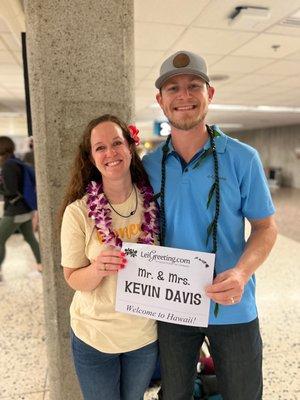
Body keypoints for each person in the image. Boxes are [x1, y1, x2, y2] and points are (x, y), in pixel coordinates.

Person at [143, 51, 278, 400]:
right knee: (173, 394)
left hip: (233, 305)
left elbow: (266, 227)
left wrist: (242, 273)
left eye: (194, 86)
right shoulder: (148, 165)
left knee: (244, 393)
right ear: (160, 100)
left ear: (210, 94)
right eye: (173, 88)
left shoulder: (242, 158)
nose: (183, 96)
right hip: (172, 305)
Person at [60, 114, 159, 400]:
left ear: (130, 147)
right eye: (100, 147)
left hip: (143, 336)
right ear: (91, 158)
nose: (110, 153)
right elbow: (72, 278)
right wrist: (97, 269)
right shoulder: (78, 213)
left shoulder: (154, 201)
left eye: (117, 143)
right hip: (95, 336)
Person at [0, 136, 42, 281]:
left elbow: (11, 190)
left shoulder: (7, 165)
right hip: (26, 209)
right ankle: (42, 266)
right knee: (30, 238)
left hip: (15, 211)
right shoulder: (18, 162)